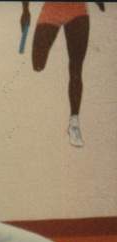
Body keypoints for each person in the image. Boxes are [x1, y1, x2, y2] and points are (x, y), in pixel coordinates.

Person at [21, 1, 106, 147]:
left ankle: (74, 123)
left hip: (77, 11)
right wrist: (25, 10)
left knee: (76, 69)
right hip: (52, 9)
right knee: (38, 65)